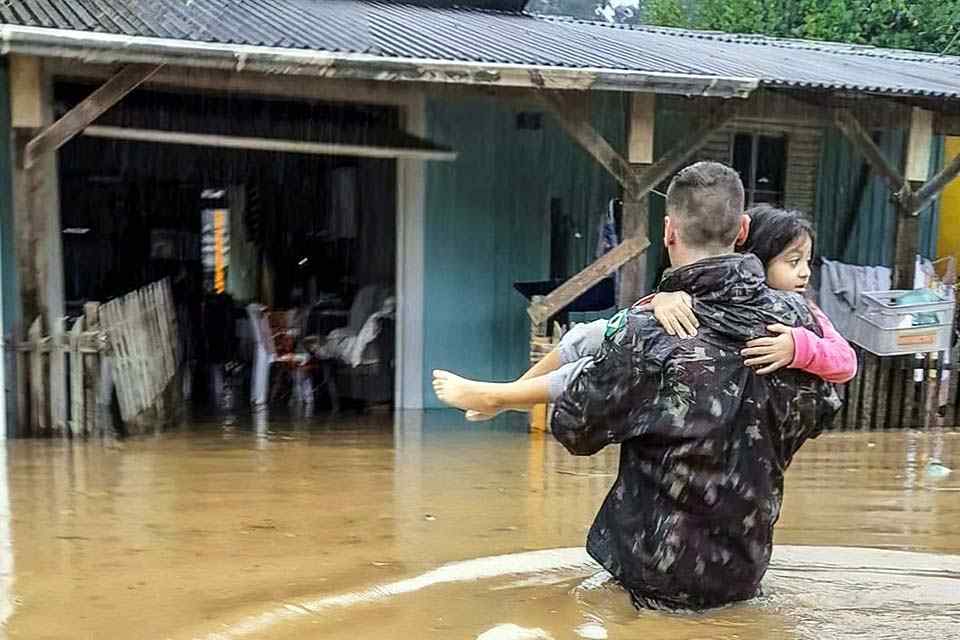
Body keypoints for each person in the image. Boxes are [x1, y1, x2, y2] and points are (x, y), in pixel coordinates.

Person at [444, 161, 842, 609]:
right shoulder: (800, 322)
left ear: (669, 231)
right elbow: (823, 409)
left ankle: (500, 394)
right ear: (743, 228)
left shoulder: (646, 331)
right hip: (746, 569)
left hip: (654, 577)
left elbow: (575, 430)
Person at [432, 205, 856, 419]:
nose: (803, 274)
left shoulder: (801, 314)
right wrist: (662, 299)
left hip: (710, 395)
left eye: (806, 263)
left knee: (600, 368)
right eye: (792, 261)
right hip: (693, 380)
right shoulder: (705, 287)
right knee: (586, 337)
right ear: (752, 251)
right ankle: (512, 395)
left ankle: (502, 398)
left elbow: (845, 362)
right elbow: (642, 320)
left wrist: (798, 347)